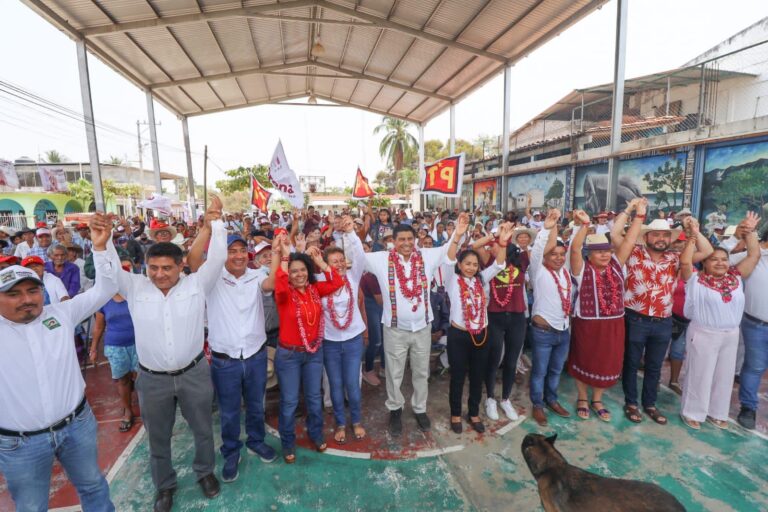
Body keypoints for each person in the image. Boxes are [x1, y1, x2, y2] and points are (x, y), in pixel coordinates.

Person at [114, 197, 227, 512]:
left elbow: (218, 256)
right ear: (145, 267)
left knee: (202, 430)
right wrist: (102, 243)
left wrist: (216, 222)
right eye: (153, 268)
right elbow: (109, 270)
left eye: (167, 268)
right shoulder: (135, 287)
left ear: (181, 266)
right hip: (152, 380)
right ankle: (164, 486)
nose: (160, 274)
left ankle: (205, 472)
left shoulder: (196, 285)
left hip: (194, 373)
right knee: (158, 438)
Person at [0, 212, 118, 511]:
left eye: (32, 290)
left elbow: (105, 289)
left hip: (77, 425)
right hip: (20, 444)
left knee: (93, 486)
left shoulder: (61, 314)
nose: (27, 299)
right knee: (31, 506)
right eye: (13, 294)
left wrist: (101, 248)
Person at [187, 230, 278, 483]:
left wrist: (278, 252)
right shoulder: (212, 278)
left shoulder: (256, 275)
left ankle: (256, 441)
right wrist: (207, 228)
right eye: (231, 251)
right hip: (225, 360)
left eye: (241, 250)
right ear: (221, 255)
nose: (238, 256)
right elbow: (192, 261)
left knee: (256, 405)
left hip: (255, 355)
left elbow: (271, 284)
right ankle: (230, 451)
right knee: (229, 411)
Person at [613, 214, 713, 425]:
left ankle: (650, 404)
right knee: (631, 363)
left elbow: (707, 251)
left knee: (654, 366)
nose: (661, 239)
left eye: (665, 235)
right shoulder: (633, 252)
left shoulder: (676, 258)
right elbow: (615, 235)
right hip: (635, 318)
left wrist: (695, 232)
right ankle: (631, 403)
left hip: (663, 321)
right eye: (656, 234)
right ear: (646, 237)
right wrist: (631, 210)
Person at [362, 220, 457, 436]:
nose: (406, 243)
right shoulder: (381, 259)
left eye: (409, 239)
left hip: (422, 329)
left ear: (415, 240)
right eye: (401, 239)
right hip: (395, 330)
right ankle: (395, 408)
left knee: (421, 372)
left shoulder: (426, 256)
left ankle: (419, 408)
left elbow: (448, 251)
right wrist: (351, 232)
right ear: (393, 242)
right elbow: (358, 257)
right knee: (394, 373)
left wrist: (458, 234)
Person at [679, 213, 761, 430]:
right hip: (704, 333)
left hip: (731, 334)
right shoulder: (695, 280)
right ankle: (692, 412)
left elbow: (754, 255)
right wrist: (692, 236)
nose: (720, 263)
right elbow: (685, 261)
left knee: (724, 376)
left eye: (724, 259)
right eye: (714, 259)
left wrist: (750, 231)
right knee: (700, 374)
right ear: (704, 262)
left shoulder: (736, 277)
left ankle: (717, 412)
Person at [567, 202, 643, 422]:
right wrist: (585, 226)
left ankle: (597, 399)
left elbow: (629, 241)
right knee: (584, 357)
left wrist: (639, 215)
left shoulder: (617, 265)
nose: (604, 255)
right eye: (599, 252)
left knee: (608, 361)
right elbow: (574, 249)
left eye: (607, 251)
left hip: (614, 323)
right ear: (589, 255)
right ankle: (583, 397)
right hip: (587, 323)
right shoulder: (581, 269)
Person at [272, 238, 343, 463]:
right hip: (289, 356)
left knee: (314, 397)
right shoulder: (284, 294)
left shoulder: (315, 290)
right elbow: (279, 281)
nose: (299, 274)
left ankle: (315, 433)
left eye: (303, 270)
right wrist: (285, 256)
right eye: (294, 271)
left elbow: (337, 281)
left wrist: (320, 262)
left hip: (313, 353)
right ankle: (287, 442)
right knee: (290, 401)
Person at [444, 216, 511, 433]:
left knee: (477, 375)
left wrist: (502, 243)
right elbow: (449, 258)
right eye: (467, 264)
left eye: (475, 264)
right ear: (460, 265)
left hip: (481, 335)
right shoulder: (452, 280)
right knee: (457, 377)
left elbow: (499, 264)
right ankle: (455, 414)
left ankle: (473, 413)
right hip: (459, 336)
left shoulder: (481, 279)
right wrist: (458, 235)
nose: (471, 268)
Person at [322, 215, 368, 444]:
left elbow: (359, 255)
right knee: (335, 384)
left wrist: (350, 232)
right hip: (329, 342)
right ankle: (340, 423)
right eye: (334, 261)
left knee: (353, 383)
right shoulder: (319, 282)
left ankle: (356, 420)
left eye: (341, 260)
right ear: (325, 265)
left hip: (352, 341)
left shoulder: (352, 276)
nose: (339, 264)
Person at [528, 209, 572, 426]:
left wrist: (557, 225)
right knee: (540, 371)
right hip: (543, 333)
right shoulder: (538, 270)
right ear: (546, 256)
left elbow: (573, 249)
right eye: (553, 254)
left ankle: (551, 399)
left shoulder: (565, 272)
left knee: (555, 370)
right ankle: (537, 404)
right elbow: (538, 250)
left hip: (563, 331)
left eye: (562, 254)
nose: (558, 258)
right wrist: (548, 227)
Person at [484, 232, 531, 422]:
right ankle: (490, 398)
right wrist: (493, 237)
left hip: (517, 317)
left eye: (496, 246)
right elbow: (477, 246)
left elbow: (540, 244)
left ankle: (505, 399)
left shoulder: (522, 261)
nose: (492, 248)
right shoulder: (489, 263)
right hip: (494, 317)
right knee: (493, 359)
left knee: (511, 361)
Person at [90, 256, 138, 433]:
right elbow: (99, 326)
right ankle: (127, 410)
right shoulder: (104, 300)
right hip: (115, 345)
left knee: (142, 378)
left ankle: (148, 408)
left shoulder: (135, 295)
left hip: (139, 343)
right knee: (122, 380)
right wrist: (93, 348)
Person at [734, 227, 768, 429]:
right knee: (754, 367)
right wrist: (745, 237)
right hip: (756, 324)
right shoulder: (756, 257)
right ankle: (748, 407)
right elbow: (724, 259)